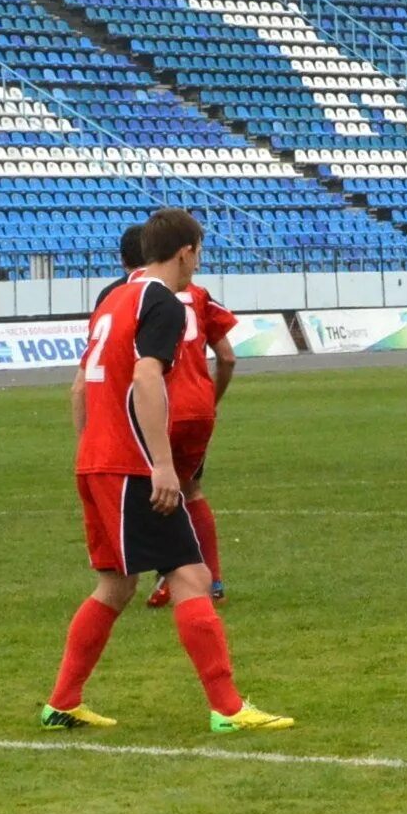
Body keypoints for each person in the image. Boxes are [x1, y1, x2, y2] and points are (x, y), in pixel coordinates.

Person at [45, 208, 293, 734]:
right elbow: (148, 376)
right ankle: (228, 710)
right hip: (131, 462)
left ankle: (62, 702)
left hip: (97, 459)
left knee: (115, 586)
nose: (198, 262)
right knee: (191, 574)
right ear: (185, 252)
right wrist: (161, 465)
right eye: (198, 252)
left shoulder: (113, 298)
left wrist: (89, 453)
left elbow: (77, 388)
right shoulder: (162, 301)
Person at [145, 243, 240, 608]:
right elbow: (228, 357)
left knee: (156, 492)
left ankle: (170, 578)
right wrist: (209, 399)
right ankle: (212, 579)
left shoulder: (138, 297)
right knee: (191, 490)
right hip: (198, 409)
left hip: (161, 406)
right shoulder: (200, 296)